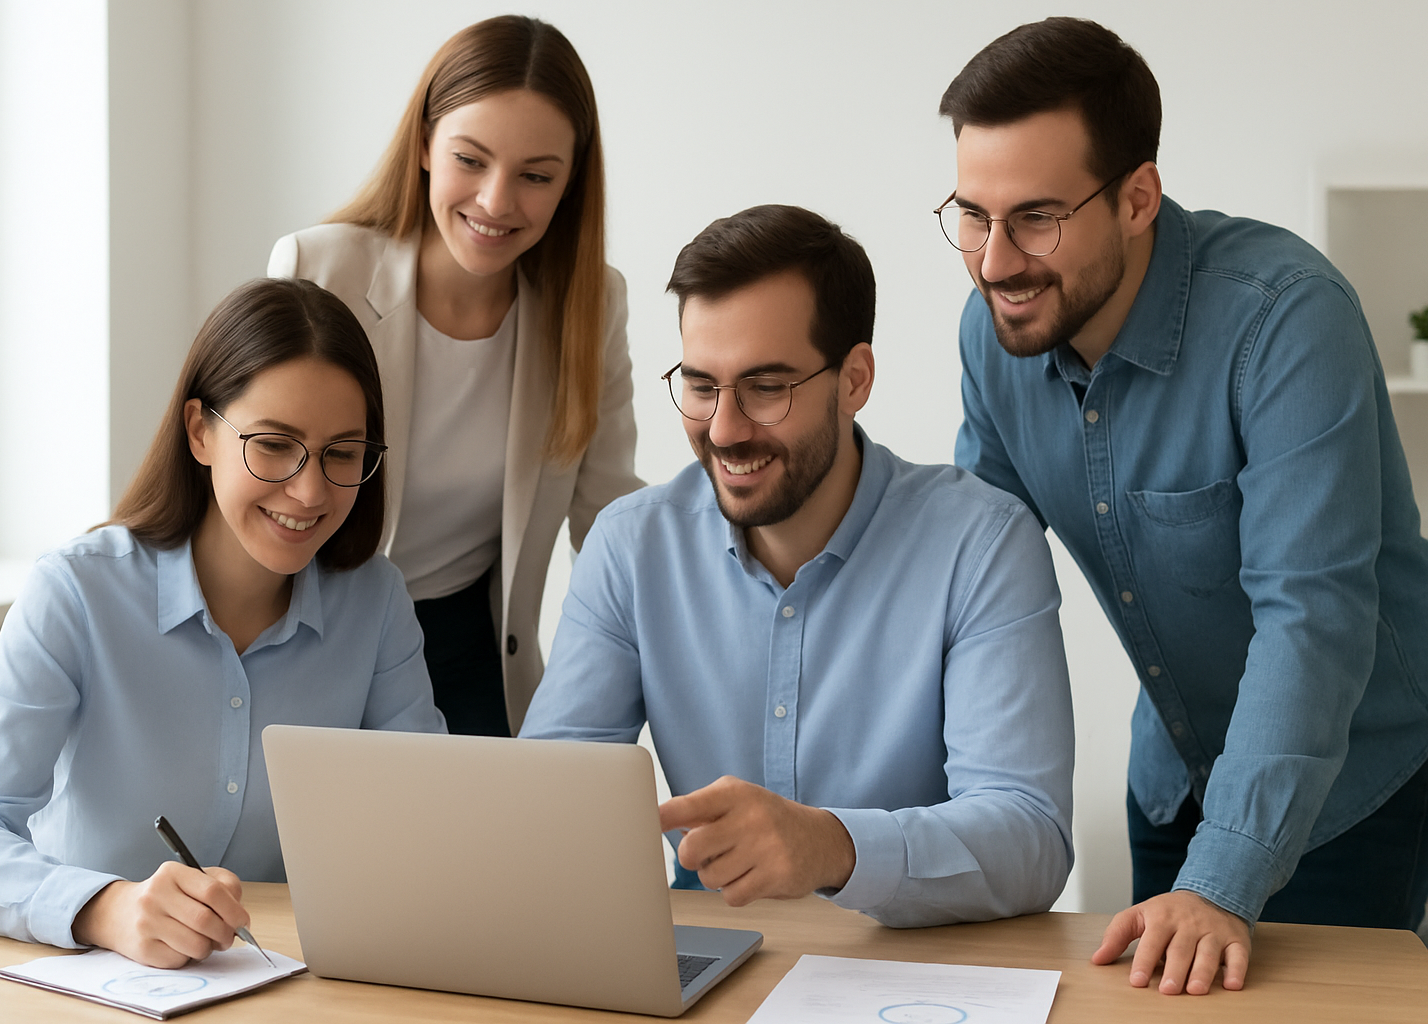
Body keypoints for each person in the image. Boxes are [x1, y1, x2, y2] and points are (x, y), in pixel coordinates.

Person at [937, 16, 1428, 995]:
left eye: (1035, 217)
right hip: (1171, 780)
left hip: (1350, 786)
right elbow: (973, 584)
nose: (995, 262)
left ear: (1137, 198)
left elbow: (1313, 622)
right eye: (971, 215)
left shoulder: (1287, 319)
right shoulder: (997, 337)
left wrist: (1222, 879)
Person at [520, 205, 1075, 928]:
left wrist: (833, 848)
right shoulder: (631, 546)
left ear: (854, 379)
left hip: (916, 974)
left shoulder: (982, 543)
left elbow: (1031, 839)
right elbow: (546, 807)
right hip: (704, 968)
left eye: (766, 387)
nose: (724, 429)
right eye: (700, 385)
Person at [0, 278, 446, 967]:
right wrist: (107, 908)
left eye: (342, 453)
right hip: (87, 994)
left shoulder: (375, 604)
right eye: (274, 445)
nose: (310, 490)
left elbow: (430, 830)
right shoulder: (77, 592)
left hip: (279, 987)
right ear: (200, 431)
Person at [268, 15, 641, 738]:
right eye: (471, 160)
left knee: (490, 850)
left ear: (570, 185)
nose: (497, 202)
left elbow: (608, 527)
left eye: (536, 176)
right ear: (425, 148)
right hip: (313, 631)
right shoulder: (321, 270)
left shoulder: (591, 305)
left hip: (474, 650)